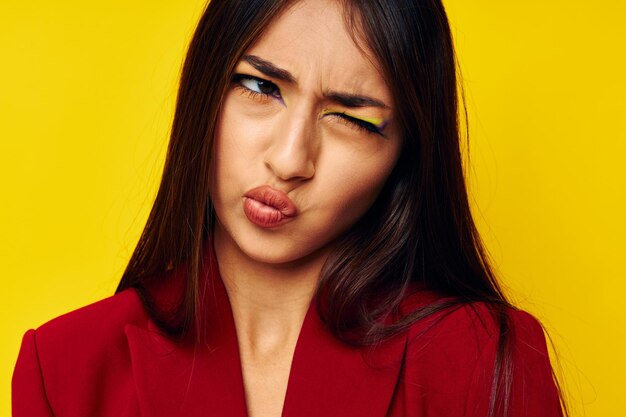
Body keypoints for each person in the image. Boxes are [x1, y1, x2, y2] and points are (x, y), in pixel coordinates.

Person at [12, 0, 567, 416]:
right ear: (205, 87)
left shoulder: (480, 362)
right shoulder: (64, 369)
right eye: (259, 85)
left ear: (406, 155)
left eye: (352, 119)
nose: (289, 159)